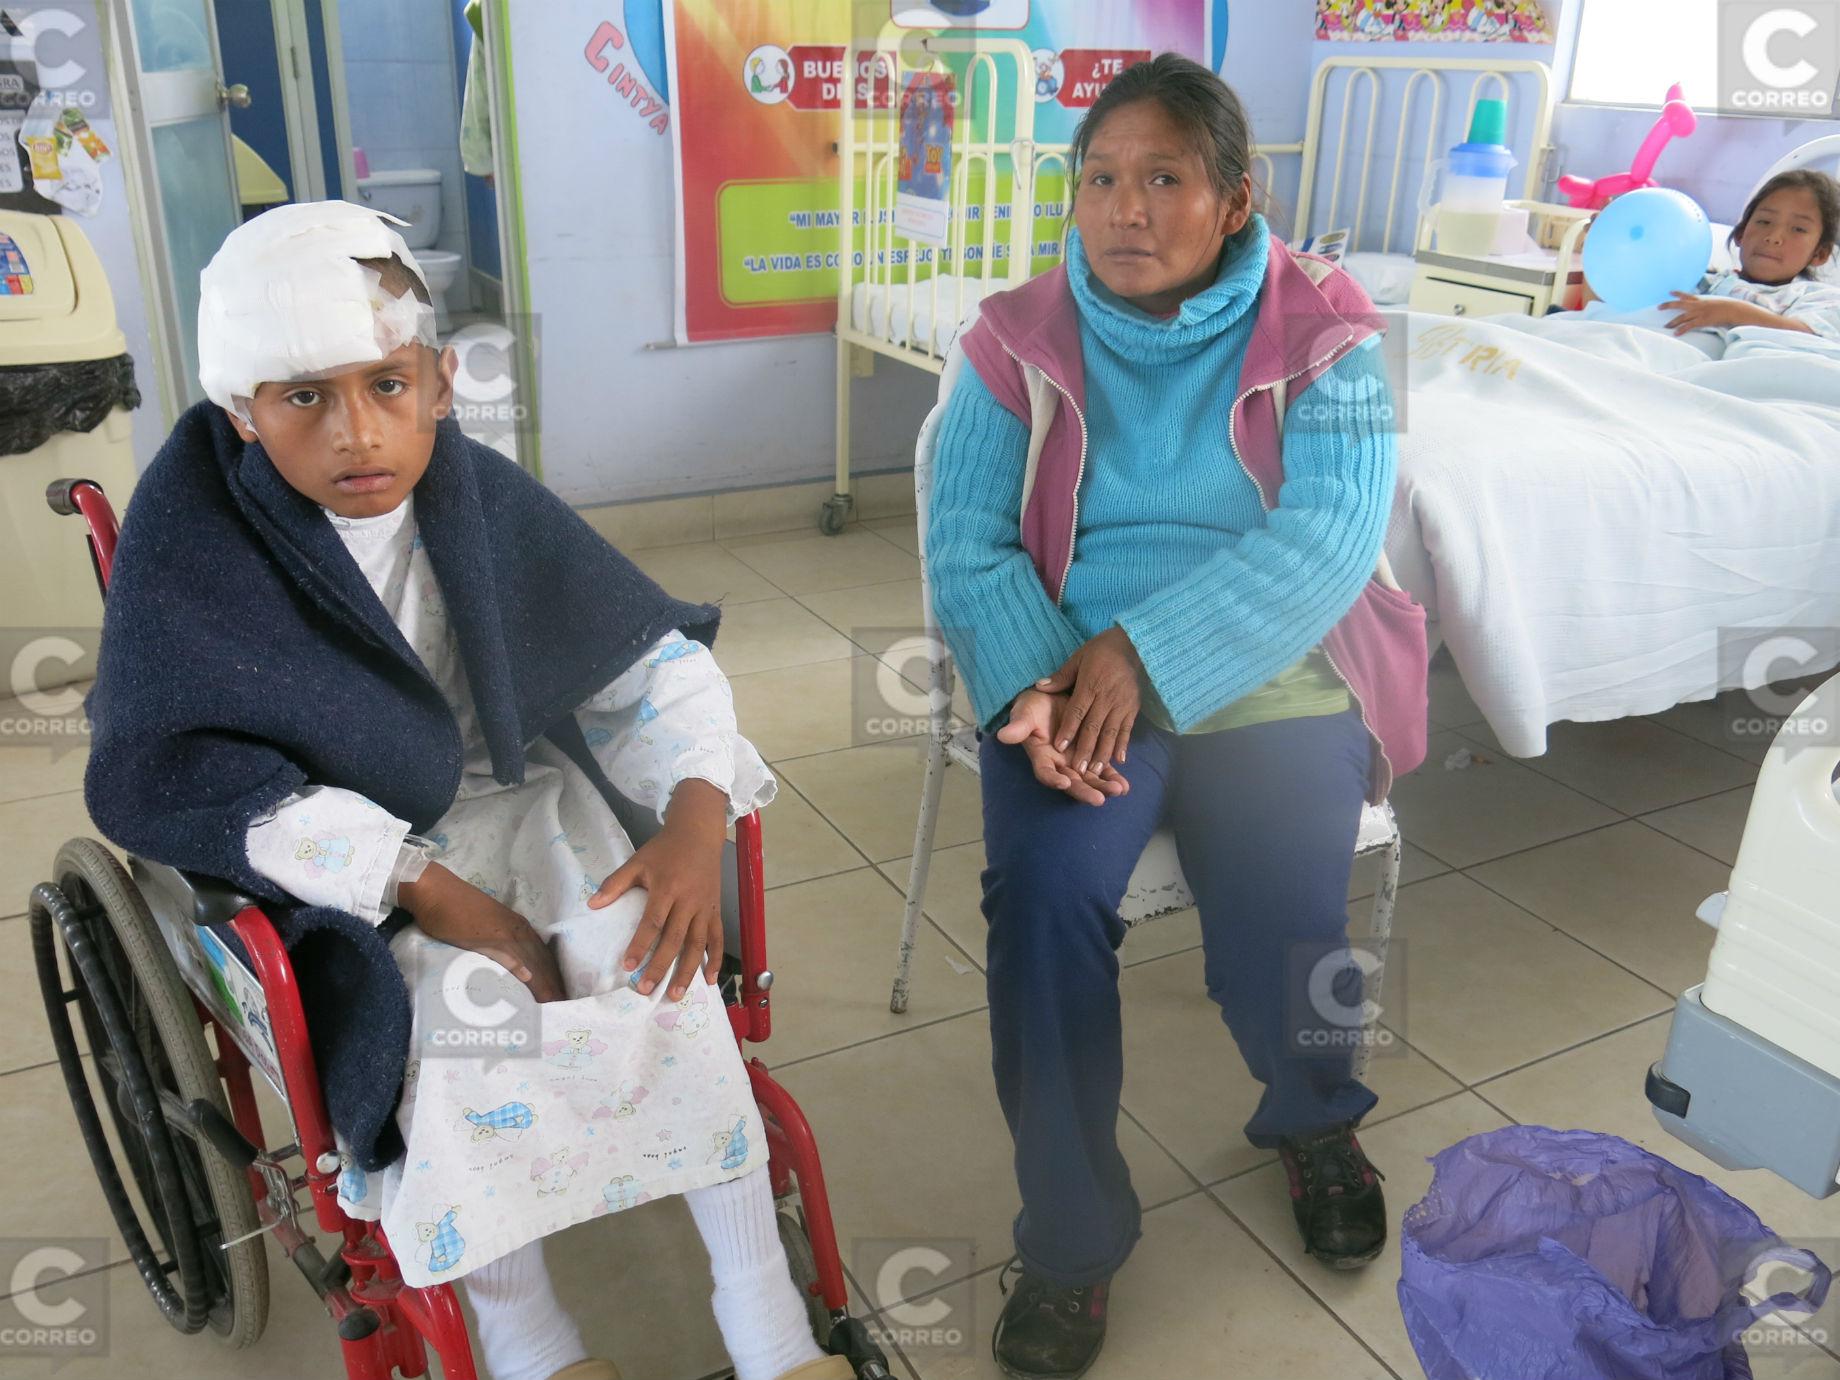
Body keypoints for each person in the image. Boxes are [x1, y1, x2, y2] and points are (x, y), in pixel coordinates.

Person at [83, 202, 850, 1380]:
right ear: (240, 411)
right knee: (460, 1027)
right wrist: (427, 890)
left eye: (387, 386)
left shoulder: (474, 497)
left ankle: (765, 1319)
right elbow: (185, 770)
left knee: (654, 971)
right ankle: (530, 1338)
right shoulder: (199, 541)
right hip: (336, 861)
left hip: (513, 794)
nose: (357, 434)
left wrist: (697, 812)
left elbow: (647, 663)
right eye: (303, 398)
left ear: (441, 382)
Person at [926, 55, 1427, 1378]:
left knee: (1293, 911)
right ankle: (1071, 1237)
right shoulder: (1013, 338)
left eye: (1163, 179)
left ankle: (1318, 1115)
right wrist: (1044, 683)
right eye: (1101, 179)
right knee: (1040, 899)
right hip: (1065, 674)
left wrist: (1140, 659)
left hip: (1268, 663)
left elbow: (1330, 534)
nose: (1125, 210)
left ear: (1235, 197)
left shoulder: (1324, 328)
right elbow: (967, 540)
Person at [1662, 169, 1840, 339]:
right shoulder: (1703, 281)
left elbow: (1809, 336)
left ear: (1820, 254)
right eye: (1764, 221)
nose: (1773, 237)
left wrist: (1732, 312)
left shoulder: (1815, 297)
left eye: (1798, 229)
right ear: (1741, 233)